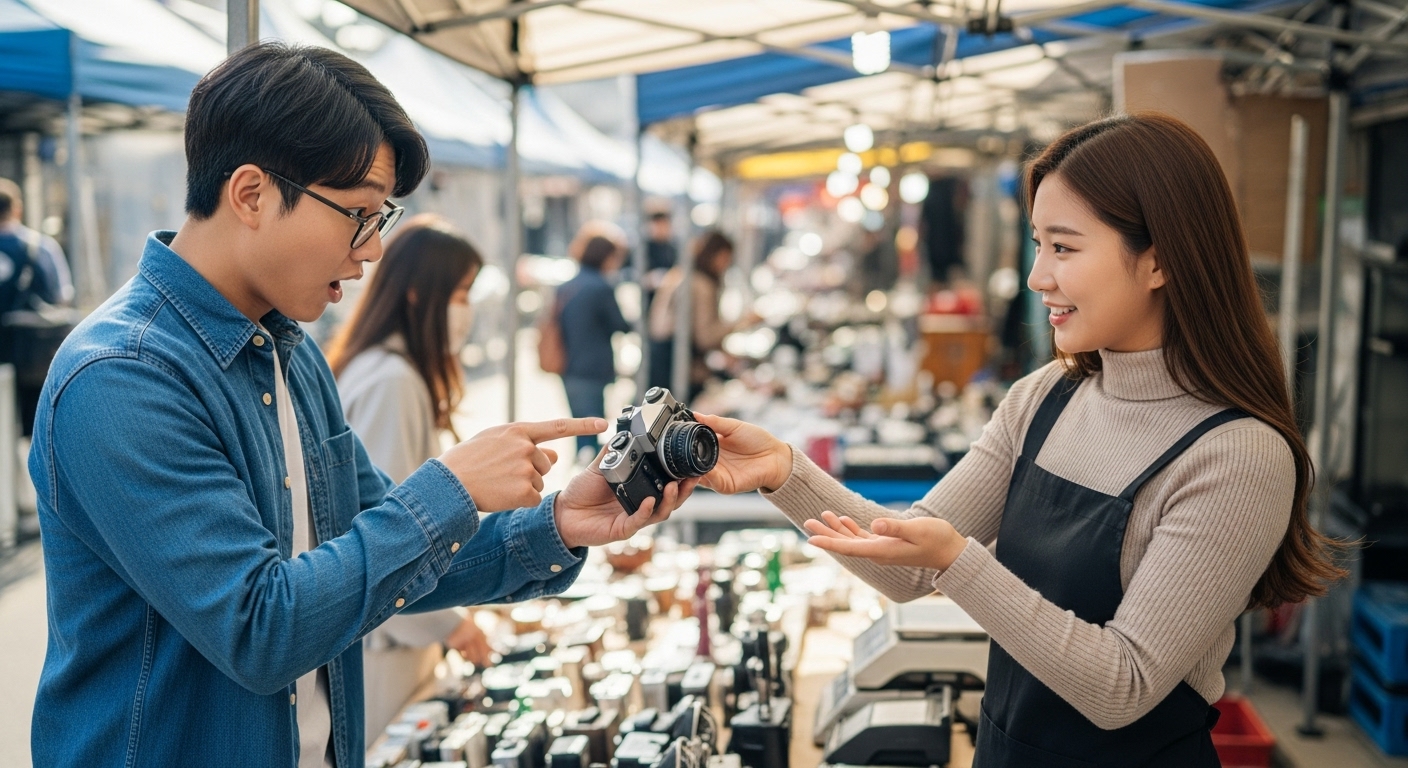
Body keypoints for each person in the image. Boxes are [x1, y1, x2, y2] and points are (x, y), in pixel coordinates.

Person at [28, 42, 696, 768]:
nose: (372, 249)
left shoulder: (289, 350)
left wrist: (561, 522)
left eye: (380, 217)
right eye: (358, 214)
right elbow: (260, 629)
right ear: (250, 194)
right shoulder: (122, 377)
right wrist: (450, 487)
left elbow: (387, 554)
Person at [696, 113, 1345, 767]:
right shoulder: (1044, 397)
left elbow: (1124, 685)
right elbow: (911, 563)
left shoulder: (1237, 456)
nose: (1037, 277)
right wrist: (784, 471)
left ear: (1159, 260)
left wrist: (964, 563)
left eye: (1063, 248)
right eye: (1038, 245)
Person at [324, 214, 495, 743]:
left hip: (391, 634)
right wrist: (450, 624)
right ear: (421, 294)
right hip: (387, 644)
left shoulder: (384, 369)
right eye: (460, 293)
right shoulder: (393, 382)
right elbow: (388, 529)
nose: (465, 311)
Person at [0, 177, 75, 434]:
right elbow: (63, 296)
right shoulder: (42, 248)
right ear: (17, 209)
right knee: (34, 430)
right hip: (33, 356)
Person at [647, 230, 752, 398]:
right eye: (726, 257)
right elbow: (705, 336)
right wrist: (743, 322)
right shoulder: (701, 284)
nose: (726, 264)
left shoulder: (680, 273)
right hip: (675, 366)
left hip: (660, 359)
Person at [557, 233, 631, 464]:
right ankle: (588, 481)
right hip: (593, 366)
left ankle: (580, 467)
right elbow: (619, 324)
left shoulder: (566, 286)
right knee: (594, 424)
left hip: (568, 364)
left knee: (579, 425)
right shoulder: (601, 287)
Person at [642, 209, 677, 306]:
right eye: (657, 224)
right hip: (647, 298)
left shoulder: (673, 249)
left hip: (669, 299)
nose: (661, 228)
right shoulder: (642, 249)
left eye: (664, 224)